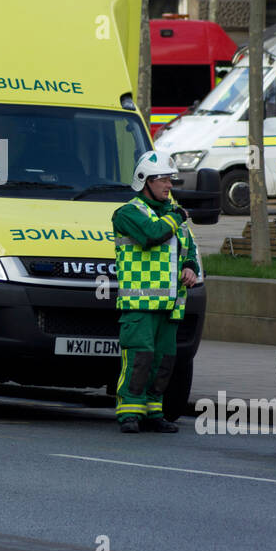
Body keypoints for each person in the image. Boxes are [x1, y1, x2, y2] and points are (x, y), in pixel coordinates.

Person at [112, 150, 200, 434]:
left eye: (170, 180)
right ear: (144, 180)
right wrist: (177, 217)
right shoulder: (128, 213)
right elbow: (151, 234)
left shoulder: (174, 217)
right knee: (139, 358)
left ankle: (153, 411)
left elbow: (190, 250)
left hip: (171, 305)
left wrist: (190, 267)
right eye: (163, 179)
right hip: (140, 303)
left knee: (164, 361)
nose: (169, 185)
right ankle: (129, 412)